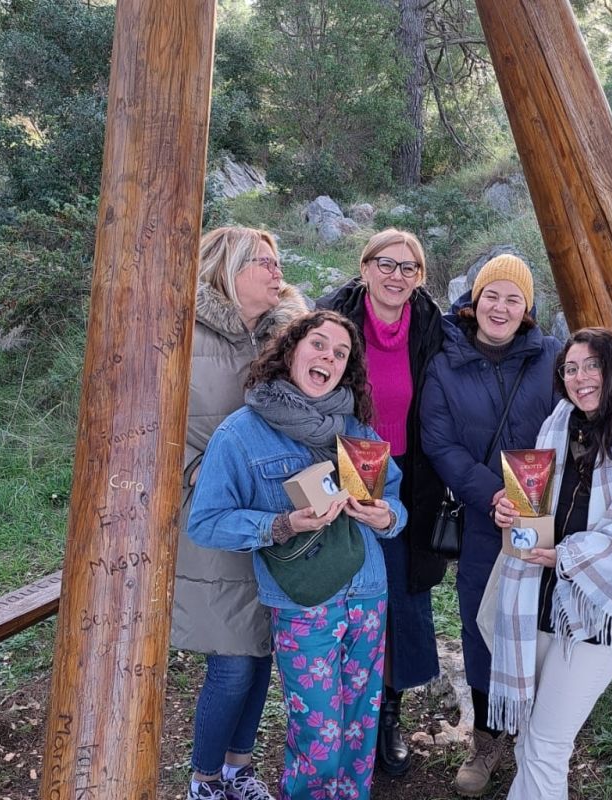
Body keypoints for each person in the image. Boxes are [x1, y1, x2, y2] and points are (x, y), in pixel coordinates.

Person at [188, 310, 408, 800]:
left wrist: (386, 517)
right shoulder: (240, 433)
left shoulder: (356, 430)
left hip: (368, 593)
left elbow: (394, 498)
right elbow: (205, 521)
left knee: (358, 735)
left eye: (340, 353)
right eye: (318, 344)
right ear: (291, 351)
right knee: (320, 743)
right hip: (303, 604)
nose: (328, 357)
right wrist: (282, 524)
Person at [488, 328, 612, 800]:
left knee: (546, 746)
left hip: (595, 611)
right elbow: (537, 502)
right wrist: (509, 508)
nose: (580, 378)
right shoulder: (560, 422)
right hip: (537, 597)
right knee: (529, 738)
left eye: (592, 365)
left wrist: (568, 555)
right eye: (571, 369)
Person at [173, 226, 306, 800]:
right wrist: (192, 470)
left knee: (259, 652)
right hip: (212, 510)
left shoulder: (287, 333)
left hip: (277, 512)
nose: (278, 273)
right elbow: (152, 419)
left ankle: (238, 770)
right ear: (228, 269)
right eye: (264, 263)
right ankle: (203, 781)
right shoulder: (182, 331)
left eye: (278, 263)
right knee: (231, 659)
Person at [420, 253, 561, 797]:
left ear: (527, 308)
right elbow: (439, 442)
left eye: (513, 298)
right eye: (492, 296)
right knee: (482, 625)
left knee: (542, 622)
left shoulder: (552, 357)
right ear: (474, 301)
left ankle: (538, 735)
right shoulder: (446, 363)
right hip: (485, 518)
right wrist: (490, 493)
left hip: (546, 517)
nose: (500, 308)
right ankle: (486, 738)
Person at [317, 228, 446, 777]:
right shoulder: (334, 316)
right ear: (365, 266)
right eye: (386, 264)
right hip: (342, 463)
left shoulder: (431, 324)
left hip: (408, 475)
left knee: (399, 595)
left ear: (419, 278)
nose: (397, 276)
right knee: (343, 588)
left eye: (408, 267)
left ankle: (386, 712)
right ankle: (335, 712)